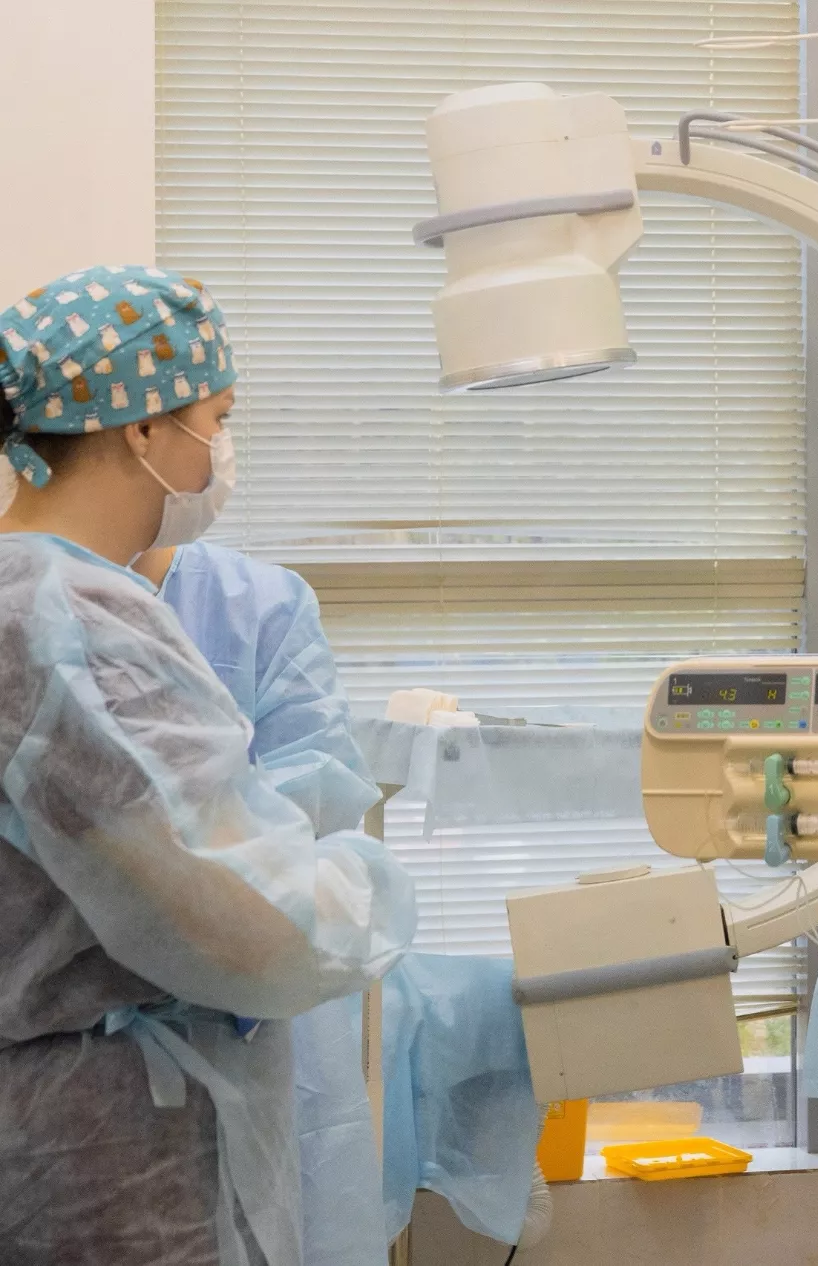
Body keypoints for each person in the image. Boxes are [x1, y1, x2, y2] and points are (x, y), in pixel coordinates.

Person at [0, 264, 415, 1266]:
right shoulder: (72, 626)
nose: (217, 451)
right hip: (105, 1148)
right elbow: (249, 923)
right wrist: (363, 891)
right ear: (142, 427)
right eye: (214, 420)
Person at [132, 540, 391, 1266]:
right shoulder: (39, 608)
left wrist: (192, 865)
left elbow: (311, 795)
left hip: (248, 1016)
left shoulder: (255, 605)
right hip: (58, 1047)